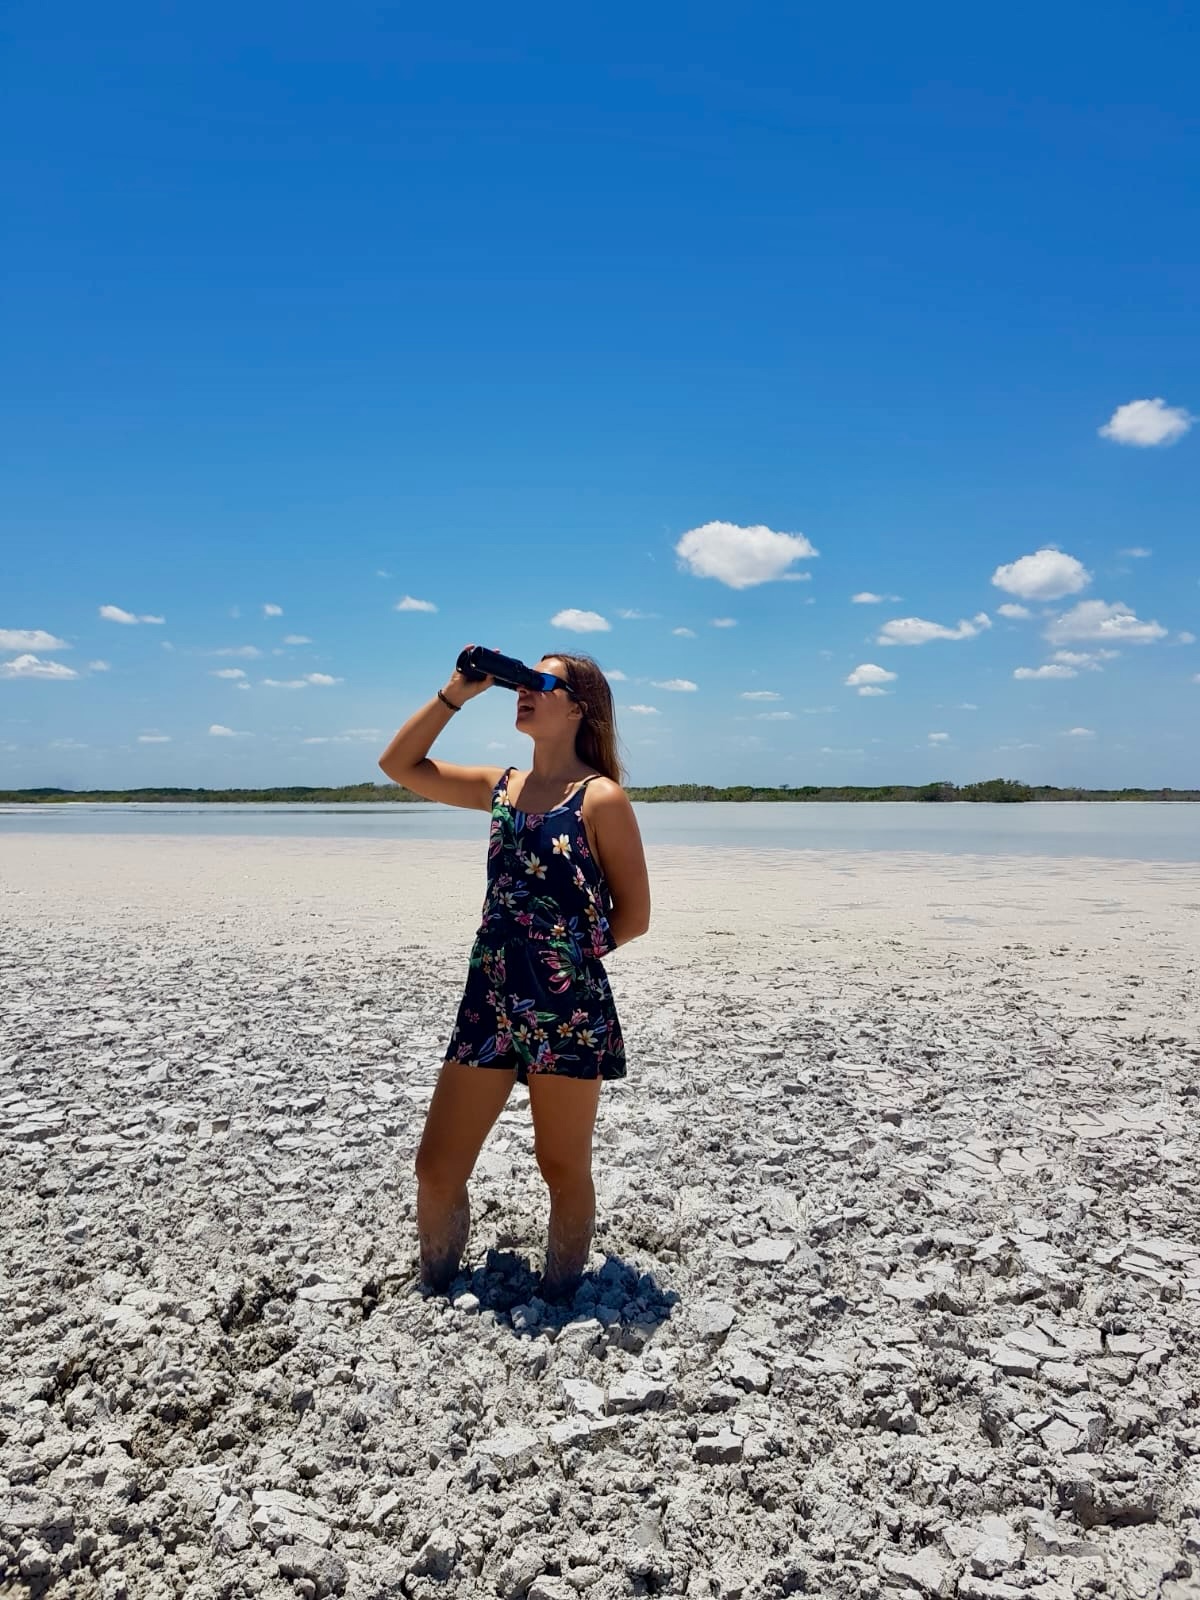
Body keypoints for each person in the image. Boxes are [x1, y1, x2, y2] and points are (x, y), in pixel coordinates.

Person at [378, 647, 651, 1301]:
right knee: (436, 1166)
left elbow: (635, 914)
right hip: (489, 999)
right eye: (520, 683)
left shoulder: (600, 798)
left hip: (566, 1005)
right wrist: (455, 694)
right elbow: (398, 766)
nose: (523, 692)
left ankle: (560, 1296)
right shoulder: (500, 788)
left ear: (580, 708)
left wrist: (561, 958)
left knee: (560, 1164)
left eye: (541, 683)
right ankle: (436, 1289)